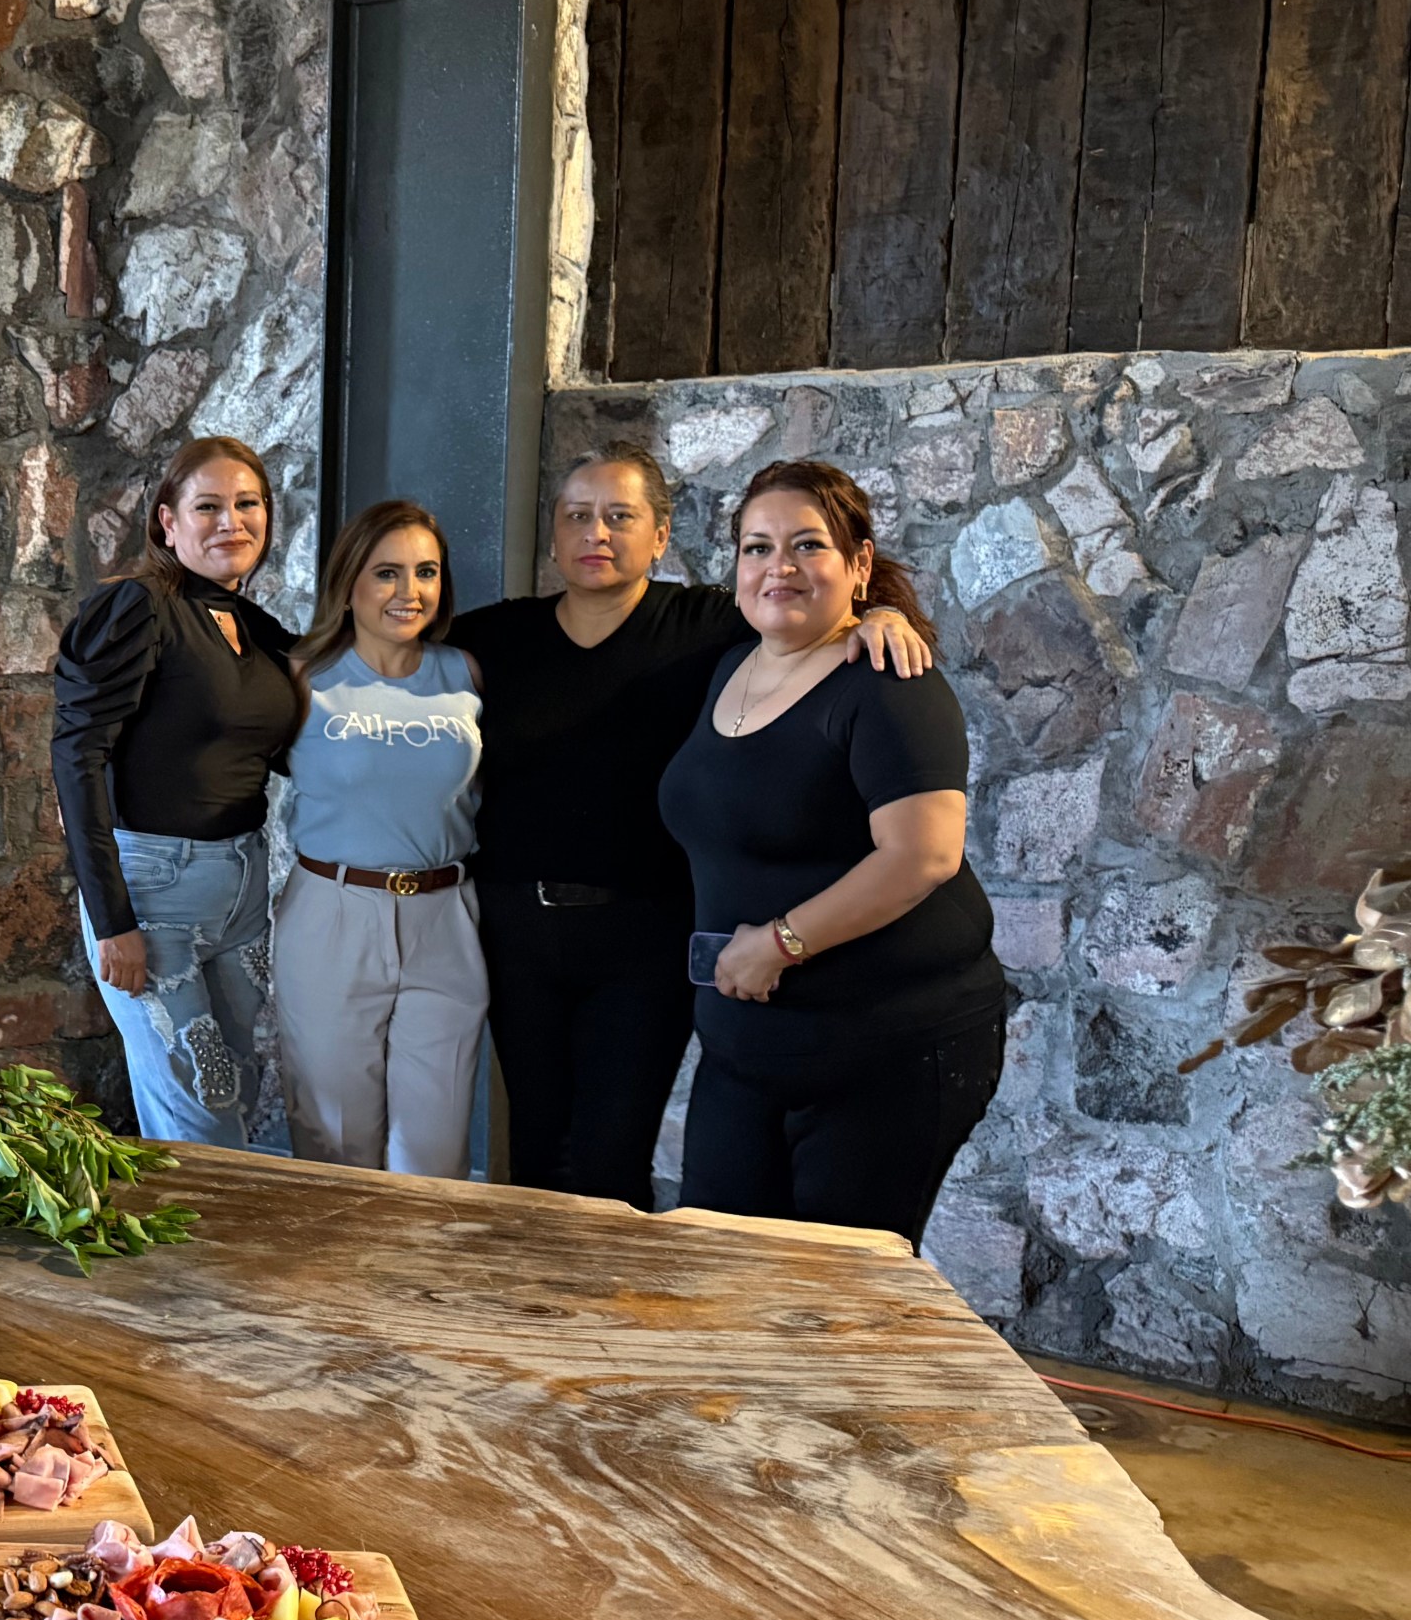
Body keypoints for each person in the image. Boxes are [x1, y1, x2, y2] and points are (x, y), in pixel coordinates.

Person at [446, 446, 932, 1207]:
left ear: (661, 536)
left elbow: (805, 602)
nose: (596, 533)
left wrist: (883, 615)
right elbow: (385, 638)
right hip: (516, 931)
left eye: (619, 515)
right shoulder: (497, 637)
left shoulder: (707, 625)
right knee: (535, 1152)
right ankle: (538, 1285)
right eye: (577, 515)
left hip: (648, 937)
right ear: (554, 535)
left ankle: (613, 1287)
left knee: (611, 1159)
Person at [656, 460, 1004, 1244]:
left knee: (837, 1291)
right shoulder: (730, 664)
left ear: (858, 563)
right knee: (714, 1265)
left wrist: (780, 944)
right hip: (747, 1049)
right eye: (757, 547)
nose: (779, 566)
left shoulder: (887, 682)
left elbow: (923, 856)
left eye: (808, 545)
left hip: (886, 1048)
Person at [50, 435, 298, 1148]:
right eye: (208, 507)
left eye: (247, 504)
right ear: (168, 521)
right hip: (153, 895)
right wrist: (111, 921)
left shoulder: (253, 628)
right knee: (200, 1116)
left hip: (242, 890)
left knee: (238, 1096)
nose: (231, 522)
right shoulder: (138, 608)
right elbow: (77, 757)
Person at [271, 501, 486, 1175]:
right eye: (387, 572)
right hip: (332, 913)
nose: (409, 591)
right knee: (336, 1146)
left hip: (444, 920)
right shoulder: (302, 678)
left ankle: (421, 1252)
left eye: (426, 572)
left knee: (436, 1155)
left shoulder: (465, 673)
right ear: (349, 583)